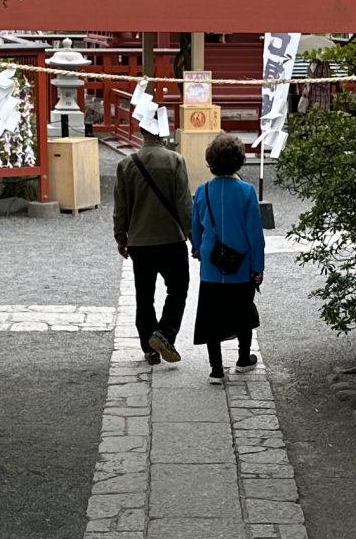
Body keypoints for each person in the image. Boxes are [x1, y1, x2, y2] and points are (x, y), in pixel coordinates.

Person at [112, 123, 193, 364]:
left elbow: (121, 206)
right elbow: (184, 205)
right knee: (178, 289)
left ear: (141, 132)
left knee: (144, 296)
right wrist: (193, 237)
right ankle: (165, 332)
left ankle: (149, 346)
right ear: (163, 132)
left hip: (140, 240)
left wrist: (121, 237)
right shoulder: (175, 161)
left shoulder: (127, 164)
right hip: (171, 239)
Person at [190, 132, 266, 382]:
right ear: (239, 161)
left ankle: (216, 368)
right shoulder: (246, 192)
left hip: (212, 267)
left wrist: (200, 251)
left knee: (211, 317)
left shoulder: (203, 191)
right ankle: (244, 358)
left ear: (211, 162)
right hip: (241, 266)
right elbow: (255, 235)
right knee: (243, 313)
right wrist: (257, 267)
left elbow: (196, 230)